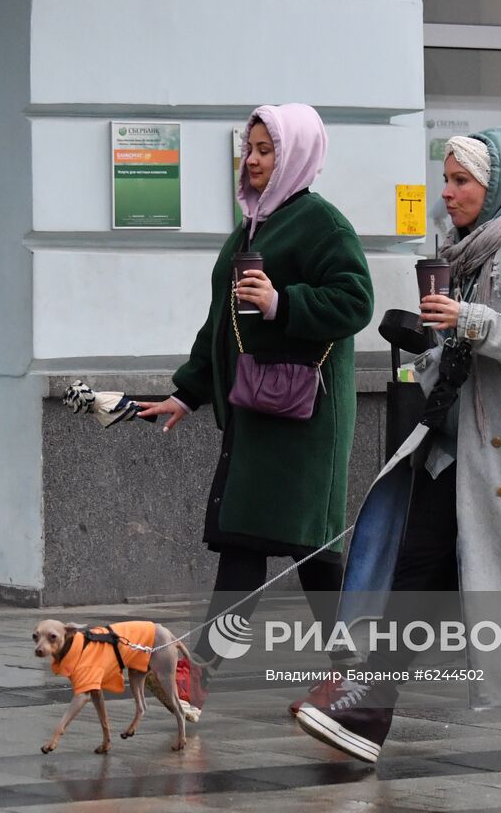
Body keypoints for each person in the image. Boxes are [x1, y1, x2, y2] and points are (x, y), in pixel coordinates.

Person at [294, 126, 501, 764]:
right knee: (418, 566)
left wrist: (469, 320)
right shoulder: (468, 256)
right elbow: (471, 357)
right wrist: (431, 347)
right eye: (445, 179)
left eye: (461, 181)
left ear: (495, 187)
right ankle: (370, 706)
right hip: (463, 448)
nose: (447, 193)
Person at [137, 103, 374, 720]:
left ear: (296, 154)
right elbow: (221, 322)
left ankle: (342, 676)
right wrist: (188, 391)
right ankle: (211, 675)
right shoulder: (252, 227)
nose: (253, 160)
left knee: (309, 546)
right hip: (257, 409)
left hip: (306, 419)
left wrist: (281, 302)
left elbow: (356, 302)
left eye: (267, 150)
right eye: (251, 148)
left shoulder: (322, 223)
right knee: (251, 538)